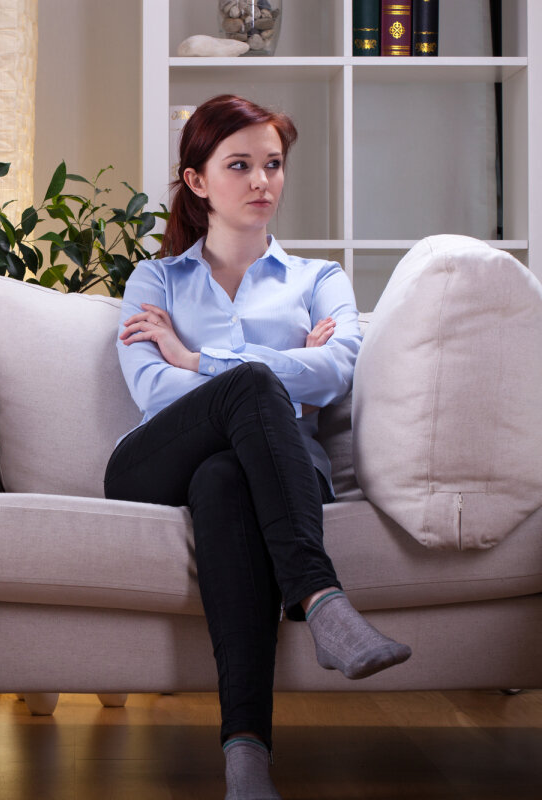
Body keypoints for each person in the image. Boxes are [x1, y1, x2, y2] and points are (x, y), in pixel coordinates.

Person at [103, 95, 410, 800]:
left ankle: (246, 762)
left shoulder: (319, 278)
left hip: (277, 472)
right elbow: (153, 388)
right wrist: (272, 379)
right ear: (198, 181)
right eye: (239, 165)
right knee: (252, 389)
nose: (262, 180)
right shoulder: (156, 280)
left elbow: (338, 370)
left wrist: (194, 357)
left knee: (224, 477)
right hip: (153, 464)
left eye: (272, 164)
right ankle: (321, 598)